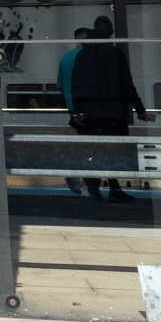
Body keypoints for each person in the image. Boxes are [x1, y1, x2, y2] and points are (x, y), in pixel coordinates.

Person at [70, 16, 148, 202]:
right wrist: (140, 109)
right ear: (109, 34)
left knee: (94, 151)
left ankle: (93, 188)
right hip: (113, 114)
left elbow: (76, 86)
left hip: (90, 116)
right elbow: (127, 84)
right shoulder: (115, 54)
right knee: (113, 151)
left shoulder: (81, 56)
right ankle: (114, 187)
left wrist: (77, 113)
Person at [59, 28, 90, 196]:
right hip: (90, 110)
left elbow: (60, 85)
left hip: (73, 109)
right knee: (91, 147)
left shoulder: (66, 58)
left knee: (80, 144)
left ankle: (76, 177)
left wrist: (70, 99)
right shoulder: (90, 58)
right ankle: (87, 183)